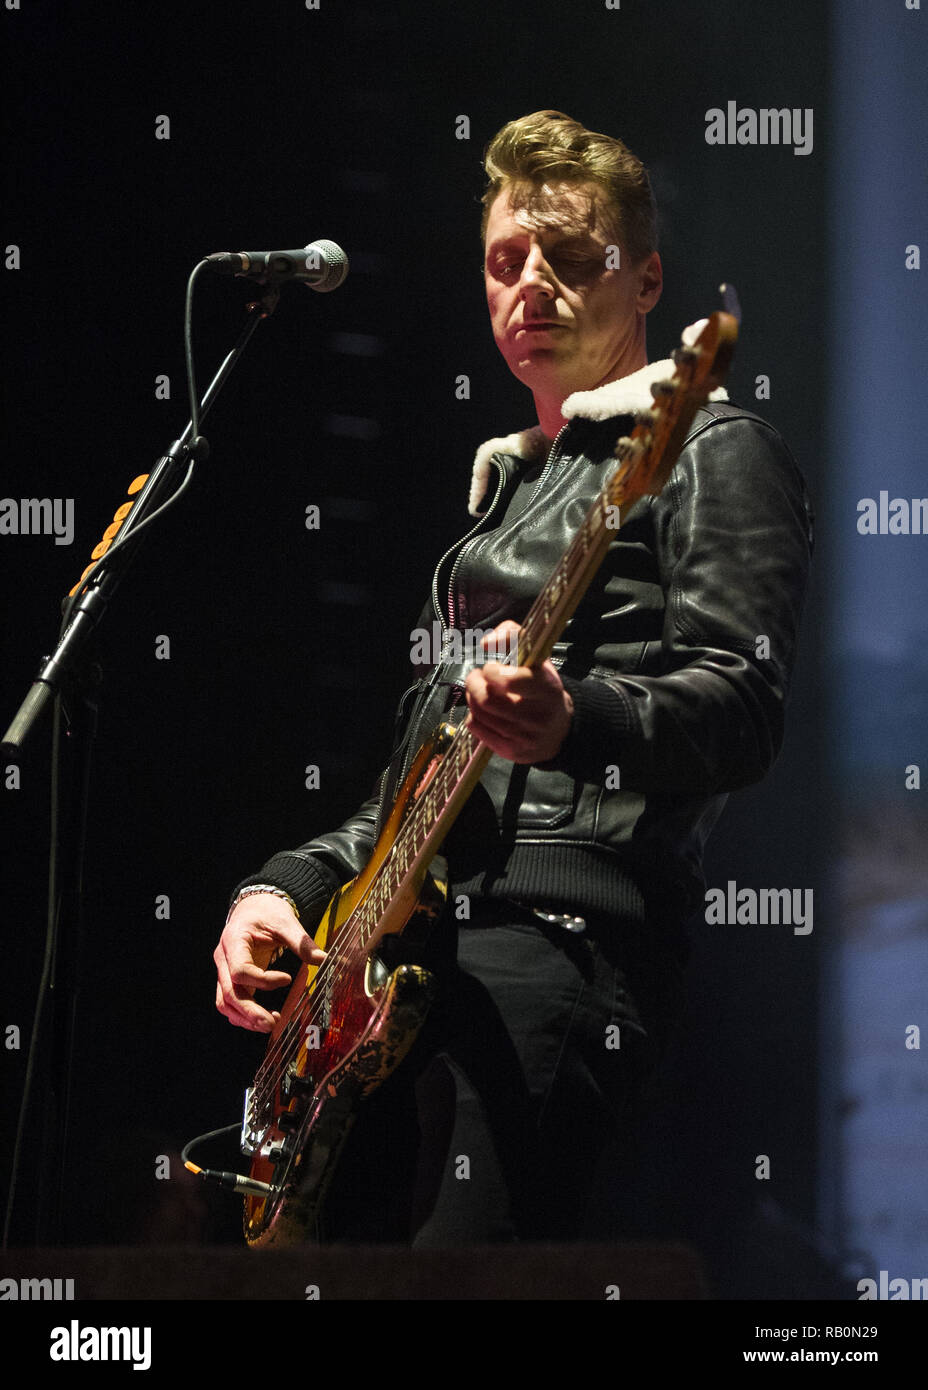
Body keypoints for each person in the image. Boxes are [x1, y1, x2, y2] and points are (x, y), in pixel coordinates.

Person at [213, 110, 813, 1245]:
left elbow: (743, 705)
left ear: (645, 282)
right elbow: (406, 798)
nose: (529, 284)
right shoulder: (502, 501)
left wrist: (571, 717)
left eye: (570, 258)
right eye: (503, 261)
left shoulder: (710, 446)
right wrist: (282, 886)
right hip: (406, 966)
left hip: (560, 946)